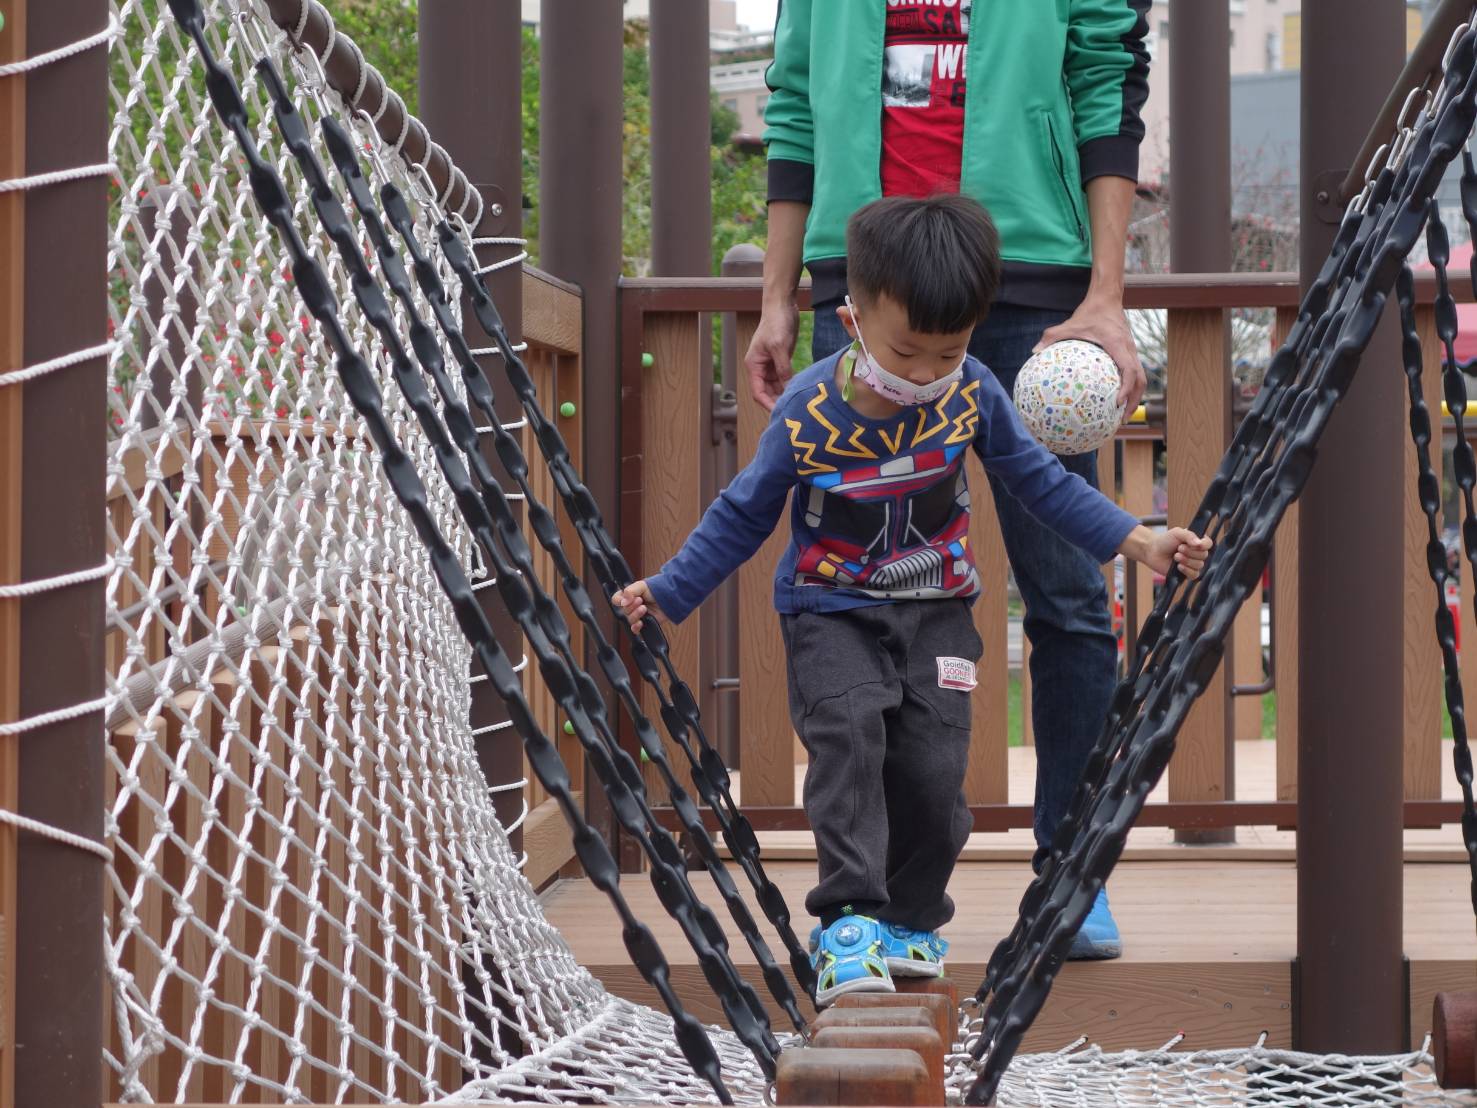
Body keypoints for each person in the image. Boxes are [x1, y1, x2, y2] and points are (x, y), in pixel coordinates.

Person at [614, 195, 1209, 1005]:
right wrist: (671, 590)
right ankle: (849, 920)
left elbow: (1039, 482)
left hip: (936, 614)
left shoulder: (971, 393)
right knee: (850, 744)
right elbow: (742, 514)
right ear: (853, 317)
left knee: (933, 775)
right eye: (909, 352)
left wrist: (1135, 539)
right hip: (831, 612)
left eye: (950, 351)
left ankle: (910, 920)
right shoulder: (809, 411)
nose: (929, 372)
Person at [744, 0, 1152, 960]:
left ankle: (1073, 874)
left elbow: (1105, 79)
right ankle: (872, 902)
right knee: (848, 590)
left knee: (1065, 592)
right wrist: (775, 296)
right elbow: (795, 104)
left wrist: (1105, 292)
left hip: (1029, 275)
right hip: (865, 285)